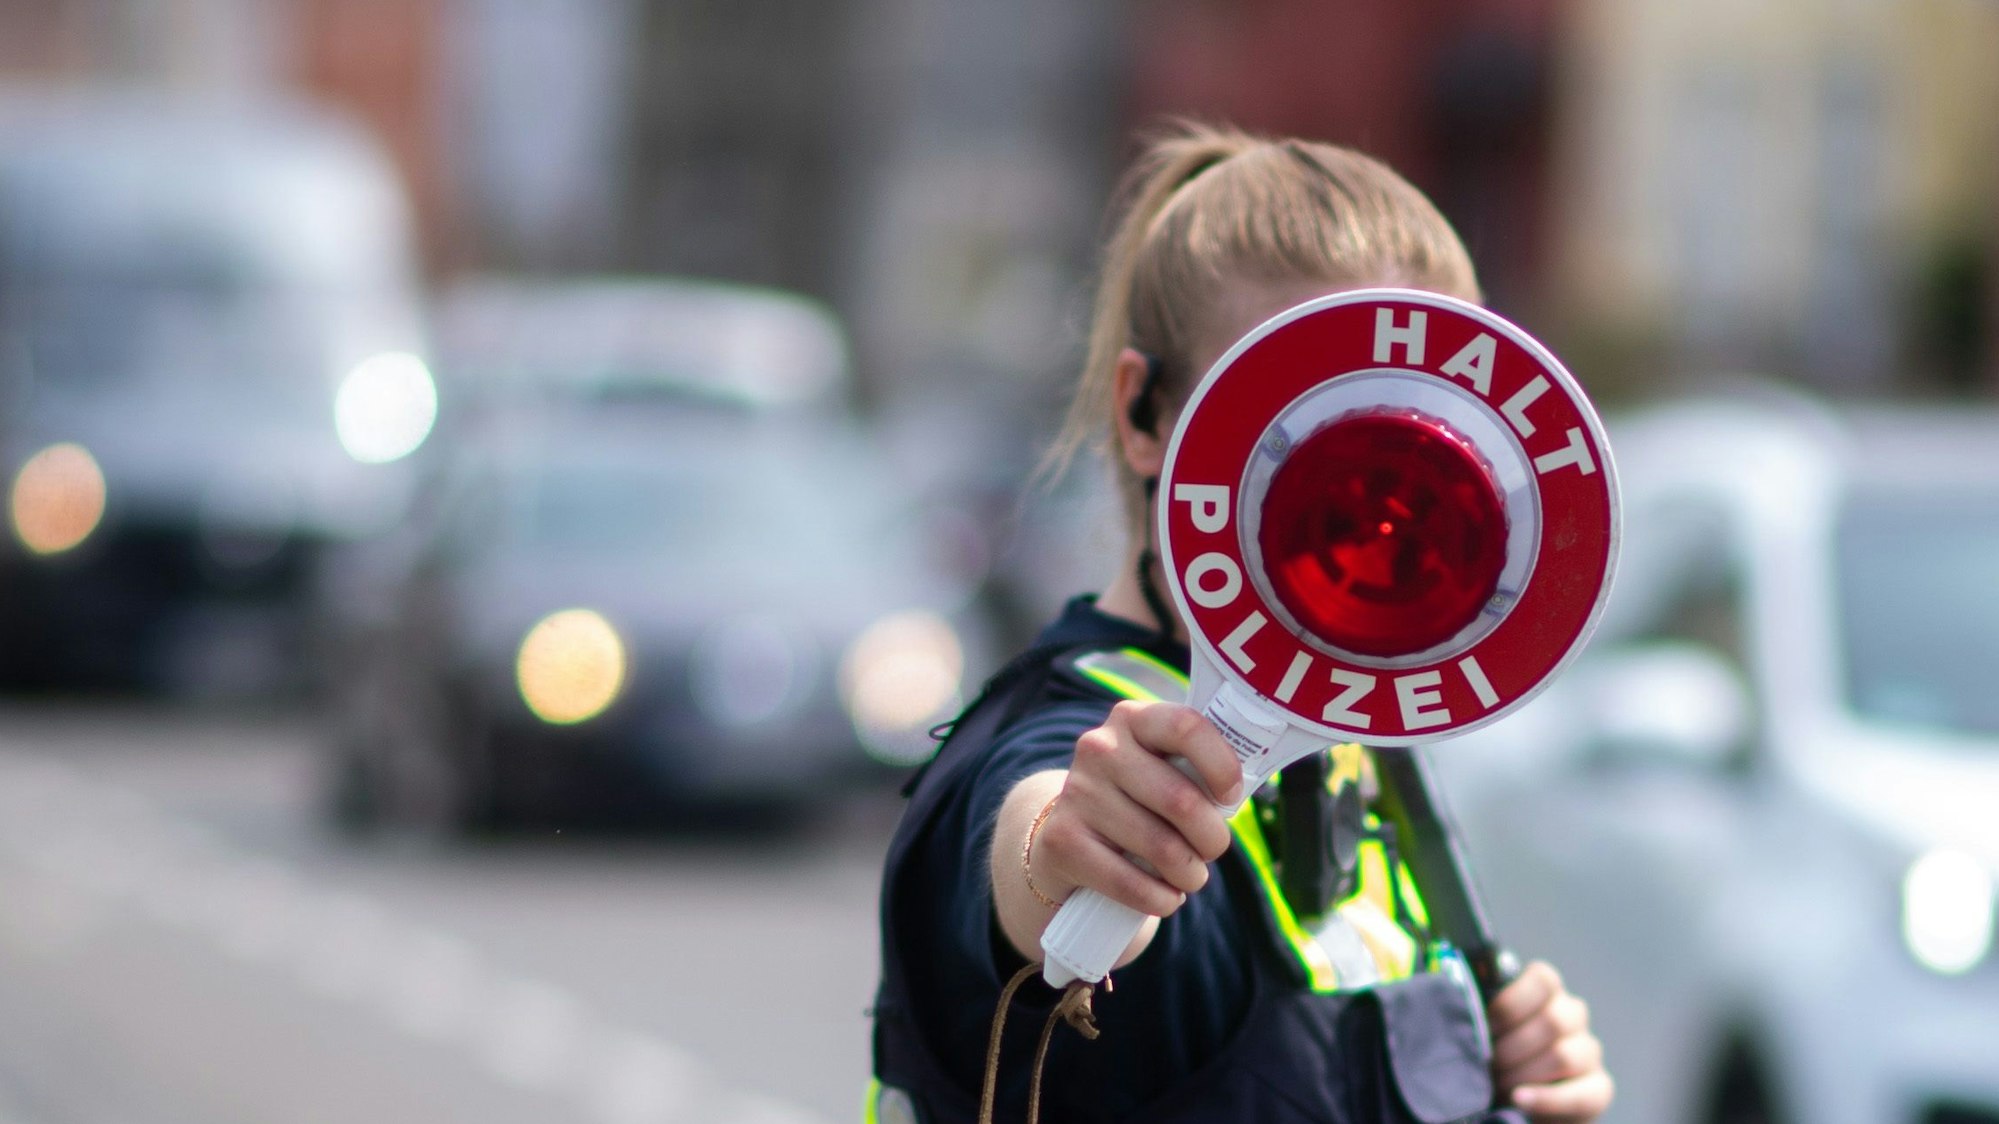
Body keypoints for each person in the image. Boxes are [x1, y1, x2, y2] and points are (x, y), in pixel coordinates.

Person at [869, 122, 1614, 1124]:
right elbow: (1033, 843)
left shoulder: (1362, 755)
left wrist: (1501, 1067)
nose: (1375, 487)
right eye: (1304, 418)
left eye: (1415, 425)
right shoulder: (1053, 743)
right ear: (1144, 414)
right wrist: (1061, 849)